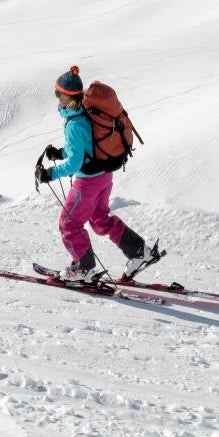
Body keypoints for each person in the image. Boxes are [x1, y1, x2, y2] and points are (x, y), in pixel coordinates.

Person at [37, 67, 164, 285]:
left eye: (58, 93)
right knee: (99, 220)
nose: (56, 98)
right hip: (103, 177)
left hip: (87, 183)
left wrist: (50, 173)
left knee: (68, 224)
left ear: (68, 95)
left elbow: (76, 162)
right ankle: (140, 252)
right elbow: (85, 147)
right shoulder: (83, 115)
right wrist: (60, 153)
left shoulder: (75, 123)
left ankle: (84, 268)